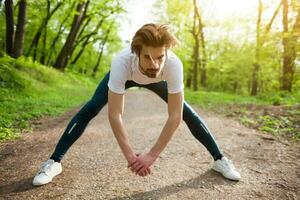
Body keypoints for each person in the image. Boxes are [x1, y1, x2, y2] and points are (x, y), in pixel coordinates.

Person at [32, 23, 241, 186]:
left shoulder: (173, 65)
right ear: (137, 52)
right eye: (148, 57)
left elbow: (174, 117)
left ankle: (219, 159)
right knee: (91, 108)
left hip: (159, 83)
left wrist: (151, 155)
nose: (155, 64)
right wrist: (131, 157)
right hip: (128, 75)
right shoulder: (122, 62)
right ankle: (54, 162)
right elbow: (115, 114)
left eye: (160, 57)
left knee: (188, 113)